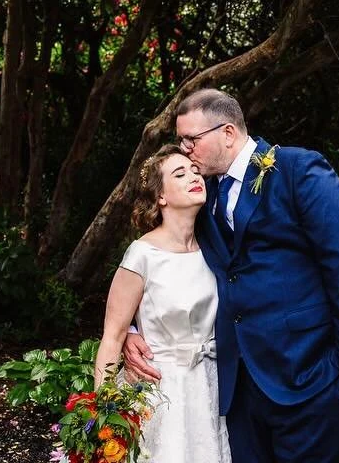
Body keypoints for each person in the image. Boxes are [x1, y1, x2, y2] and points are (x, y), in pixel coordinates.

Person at [123, 88, 339, 463]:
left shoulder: (298, 170)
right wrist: (132, 329)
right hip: (238, 389)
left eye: (191, 139)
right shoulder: (200, 192)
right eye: (180, 141)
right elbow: (162, 257)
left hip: (310, 377)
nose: (185, 149)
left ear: (227, 133)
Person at [93, 144, 233, 463]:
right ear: (161, 197)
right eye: (179, 173)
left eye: (195, 171)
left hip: (210, 385)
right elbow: (112, 336)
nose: (193, 176)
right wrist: (103, 416)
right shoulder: (142, 255)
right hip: (161, 388)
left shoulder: (215, 249)